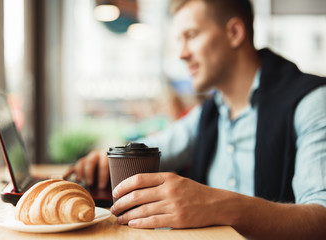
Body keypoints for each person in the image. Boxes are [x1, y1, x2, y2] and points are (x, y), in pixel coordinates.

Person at [64, 0, 326, 238]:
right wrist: (107, 157)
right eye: (179, 40)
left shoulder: (312, 101)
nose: (181, 53)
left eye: (191, 35)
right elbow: (155, 146)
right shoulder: (210, 112)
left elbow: (321, 219)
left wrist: (222, 206)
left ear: (234, 33)